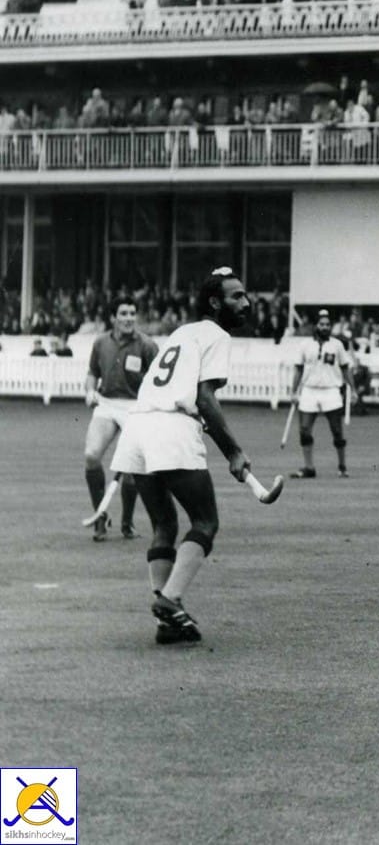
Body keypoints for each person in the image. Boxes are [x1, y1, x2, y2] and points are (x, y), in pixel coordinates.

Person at [110, 266, 253, 645]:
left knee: (164, 526)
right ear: (214, 302)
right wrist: (234, 452)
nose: (246, 302)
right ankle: (171, 600)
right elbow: (205, 396)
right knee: (205, 521)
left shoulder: (182, 332)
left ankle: (166, 620)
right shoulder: (217, 334)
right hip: (170, 428)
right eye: (237, 296)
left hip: (138, 425)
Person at [83, 297, 158, 541]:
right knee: (91, 455)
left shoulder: (146, 344)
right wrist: (90, 391)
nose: (128, 318)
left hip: (135, 407)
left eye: (132, 313)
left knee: (131, 469)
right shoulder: (101, 342)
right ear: (113, 317)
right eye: (123, 313)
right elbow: (92, 373)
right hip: (107, 405)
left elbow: (159, 379)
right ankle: (100, 516)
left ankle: (127, 522)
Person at [289, 309, 352, 479]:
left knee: (337, 431)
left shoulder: (337, 345)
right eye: (322, 324)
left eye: (327, 325)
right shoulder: (305, 345)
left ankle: (342, 466)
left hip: (331, 390)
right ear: (316, 326)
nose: (325, 327)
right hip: (309, 390)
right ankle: (309, 468)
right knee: (304, 430)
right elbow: (298, 369)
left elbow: (346, 368)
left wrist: (352, 390)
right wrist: (293, 391)